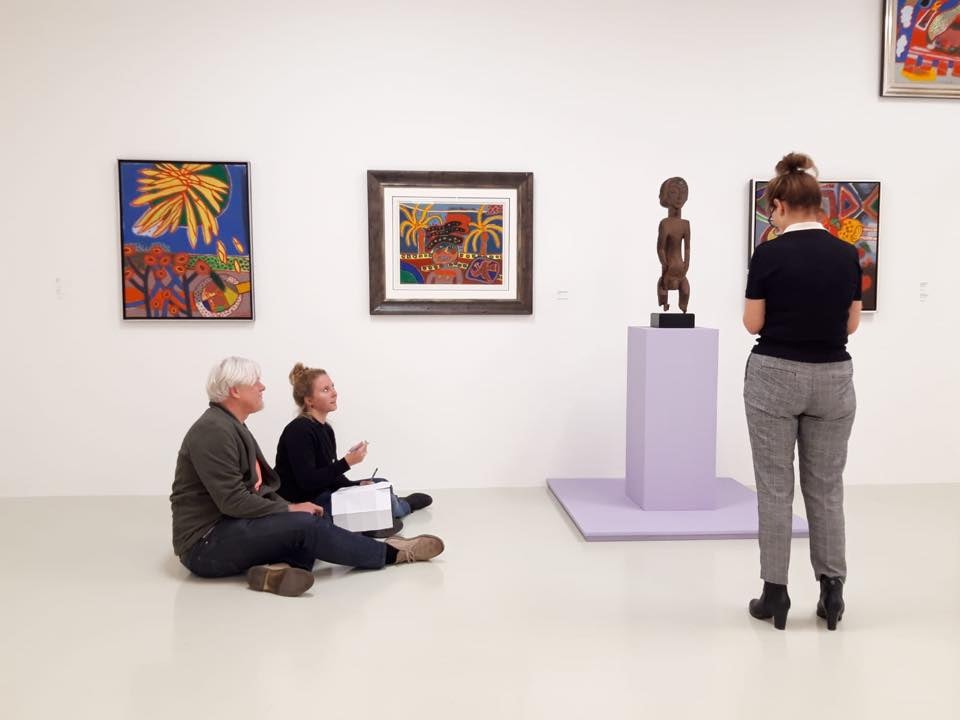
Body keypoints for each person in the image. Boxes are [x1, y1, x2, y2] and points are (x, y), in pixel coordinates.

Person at [170, 357, 444, 597]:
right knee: (305, 525)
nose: (262, 387)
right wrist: (290, 508)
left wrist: (291, 510)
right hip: (204, 545)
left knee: (308, 521)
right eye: (256, 382)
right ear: (234, 390)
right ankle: (391, 553)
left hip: (231, 526)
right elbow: (232, 500)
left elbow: (260, 489)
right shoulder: (213, 431)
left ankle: (275, 573)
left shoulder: (232, 426)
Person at [742, 153, 862, 630]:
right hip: (834, 378)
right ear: (820, 208)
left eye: (772, 209)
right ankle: (832, 592)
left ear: (781, 205)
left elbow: (753, 322)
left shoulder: (769, 253)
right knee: (826, 489)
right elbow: (851, 323)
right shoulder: (847, 254)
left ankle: (775, 595)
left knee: (775, 489)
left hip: (775, 374)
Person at [275, 363, 433, 537]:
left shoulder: (326, 429)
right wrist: (347, 462)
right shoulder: (299, 431)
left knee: (380, 483)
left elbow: (331, 476)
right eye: (325, 390)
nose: (334, 392)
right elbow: (308, 482)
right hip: (308, 501)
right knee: (378, 499)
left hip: (326, 492)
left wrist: (355, 485)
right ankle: (400, 508)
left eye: (332, 387)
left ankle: (384, 513)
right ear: (309, 400)